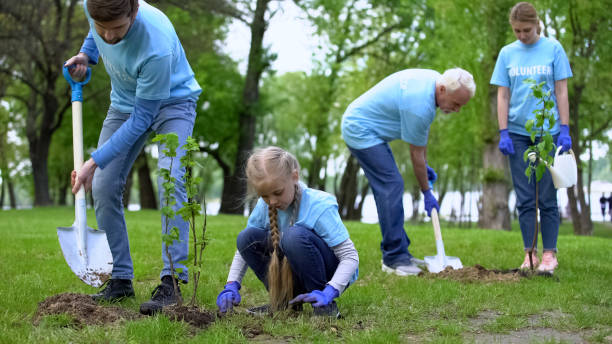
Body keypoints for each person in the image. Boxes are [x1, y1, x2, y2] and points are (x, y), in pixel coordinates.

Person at [65, 0, 201, 315]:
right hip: (124, 102)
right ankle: (121, 279)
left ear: (134, 12)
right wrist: (87, 55)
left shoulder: (156, 46)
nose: (109, 37)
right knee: (103, 185)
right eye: (103, 28)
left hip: (173, 103)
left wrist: (92, 160)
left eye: (118, 29)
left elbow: (142, 120)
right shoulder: (94, 8)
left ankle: (173, 281)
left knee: (171, 179)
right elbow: (95, 34)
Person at [341, 68, 476, 276]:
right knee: (391, 185)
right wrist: (426, 192)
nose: (457, 110)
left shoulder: (434, 81)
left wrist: (425, 164)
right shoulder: (419, 106)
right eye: (456, 104)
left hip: (369, 128)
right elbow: (416, 156)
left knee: (391, 185)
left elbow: (421, 141)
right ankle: (394, 258)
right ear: (442, 89)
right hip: (359, 129)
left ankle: (400, 251)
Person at [215, 147, 359, 318]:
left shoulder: (319, 205)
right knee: (246, 237)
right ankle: (285, 301)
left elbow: (350, 256)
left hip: (327, 277)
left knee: (293, 237)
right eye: (265, 196)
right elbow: (244, 248)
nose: (272, 202)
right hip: (295, 274)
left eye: (278, 192)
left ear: (294, 177)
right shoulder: (264, 206)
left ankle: (323, 307)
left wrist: (330, 290)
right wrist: (231, 285)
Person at [491, 2, 573, 273]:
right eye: (516, 31)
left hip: (547, 133)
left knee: (548, 196)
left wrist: (564, 128)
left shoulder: (553, 49)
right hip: (517, 134)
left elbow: (561, 90)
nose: (522, 36)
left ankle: (549, 253)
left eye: (526, 30)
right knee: (525, 198)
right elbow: (503, 95)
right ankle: (529, 253)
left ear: (536, 24)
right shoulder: (507, 54)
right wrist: (503, 131)